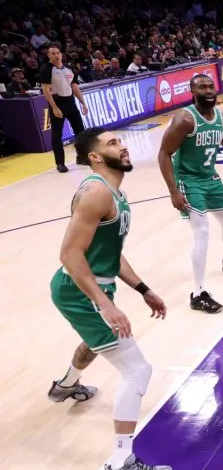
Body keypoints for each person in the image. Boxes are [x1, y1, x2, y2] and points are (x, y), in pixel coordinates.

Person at [48, 127, 171, 470]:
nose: (124, 145)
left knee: (96, 342)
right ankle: (121, 460)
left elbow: (112, 254)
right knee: (138, 371)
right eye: (113, 143)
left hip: (91, 286)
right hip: (79, 290)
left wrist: (143, 289)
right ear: (95, 157)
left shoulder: (116, 194)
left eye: (121, 140)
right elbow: (70, 256)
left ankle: (66, 385)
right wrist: (106, 304)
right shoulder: (95, 194)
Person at [157, 74, 223, 315]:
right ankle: (198, 292)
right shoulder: (185, 119)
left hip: (211, 178)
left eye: (211, 86)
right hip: (188, 180)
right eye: (202, 87)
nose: (208, 90)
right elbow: (164, 153)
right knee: (202, 232)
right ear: (193, 92)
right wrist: (173, 191)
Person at [40, 45, 89, 173]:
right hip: (57, 102)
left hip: (70, 102)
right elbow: (45, 89)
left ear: (61, 54)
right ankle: (60, 163)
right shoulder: (47, 69)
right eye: (53, 53)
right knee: (57, 134)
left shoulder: (68, 68)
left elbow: (74, 86)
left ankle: (82, 157)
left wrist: (83, 102)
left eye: (58, 53)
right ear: (49, 56)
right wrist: (54, 107)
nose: (56, 55)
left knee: (80, 131)